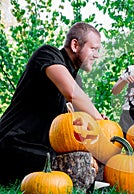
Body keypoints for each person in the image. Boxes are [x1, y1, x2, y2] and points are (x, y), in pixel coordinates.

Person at [0, 22, 106, 185]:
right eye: (93, 48)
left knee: (96, 162)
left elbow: (81, 123)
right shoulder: (48, 54)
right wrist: (99, 121)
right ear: (75, 45)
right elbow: (71, 94)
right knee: (67, 164)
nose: (96, 55)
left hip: (42, 149)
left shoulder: (76, 79)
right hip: (13, 143)